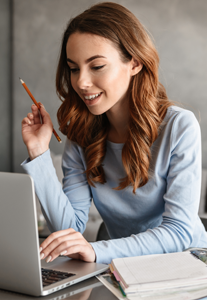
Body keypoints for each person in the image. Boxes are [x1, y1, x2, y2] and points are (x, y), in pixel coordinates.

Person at [21, 2, 207, 264]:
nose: (82, 82)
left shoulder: (179, 127)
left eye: (96, 66)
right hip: (122, 274)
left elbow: (180, 232)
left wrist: (98, 251)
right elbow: (68, 231)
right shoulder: (81, 132)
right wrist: (38, 152)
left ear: (135, 63)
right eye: (74, 69)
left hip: (185, 272)